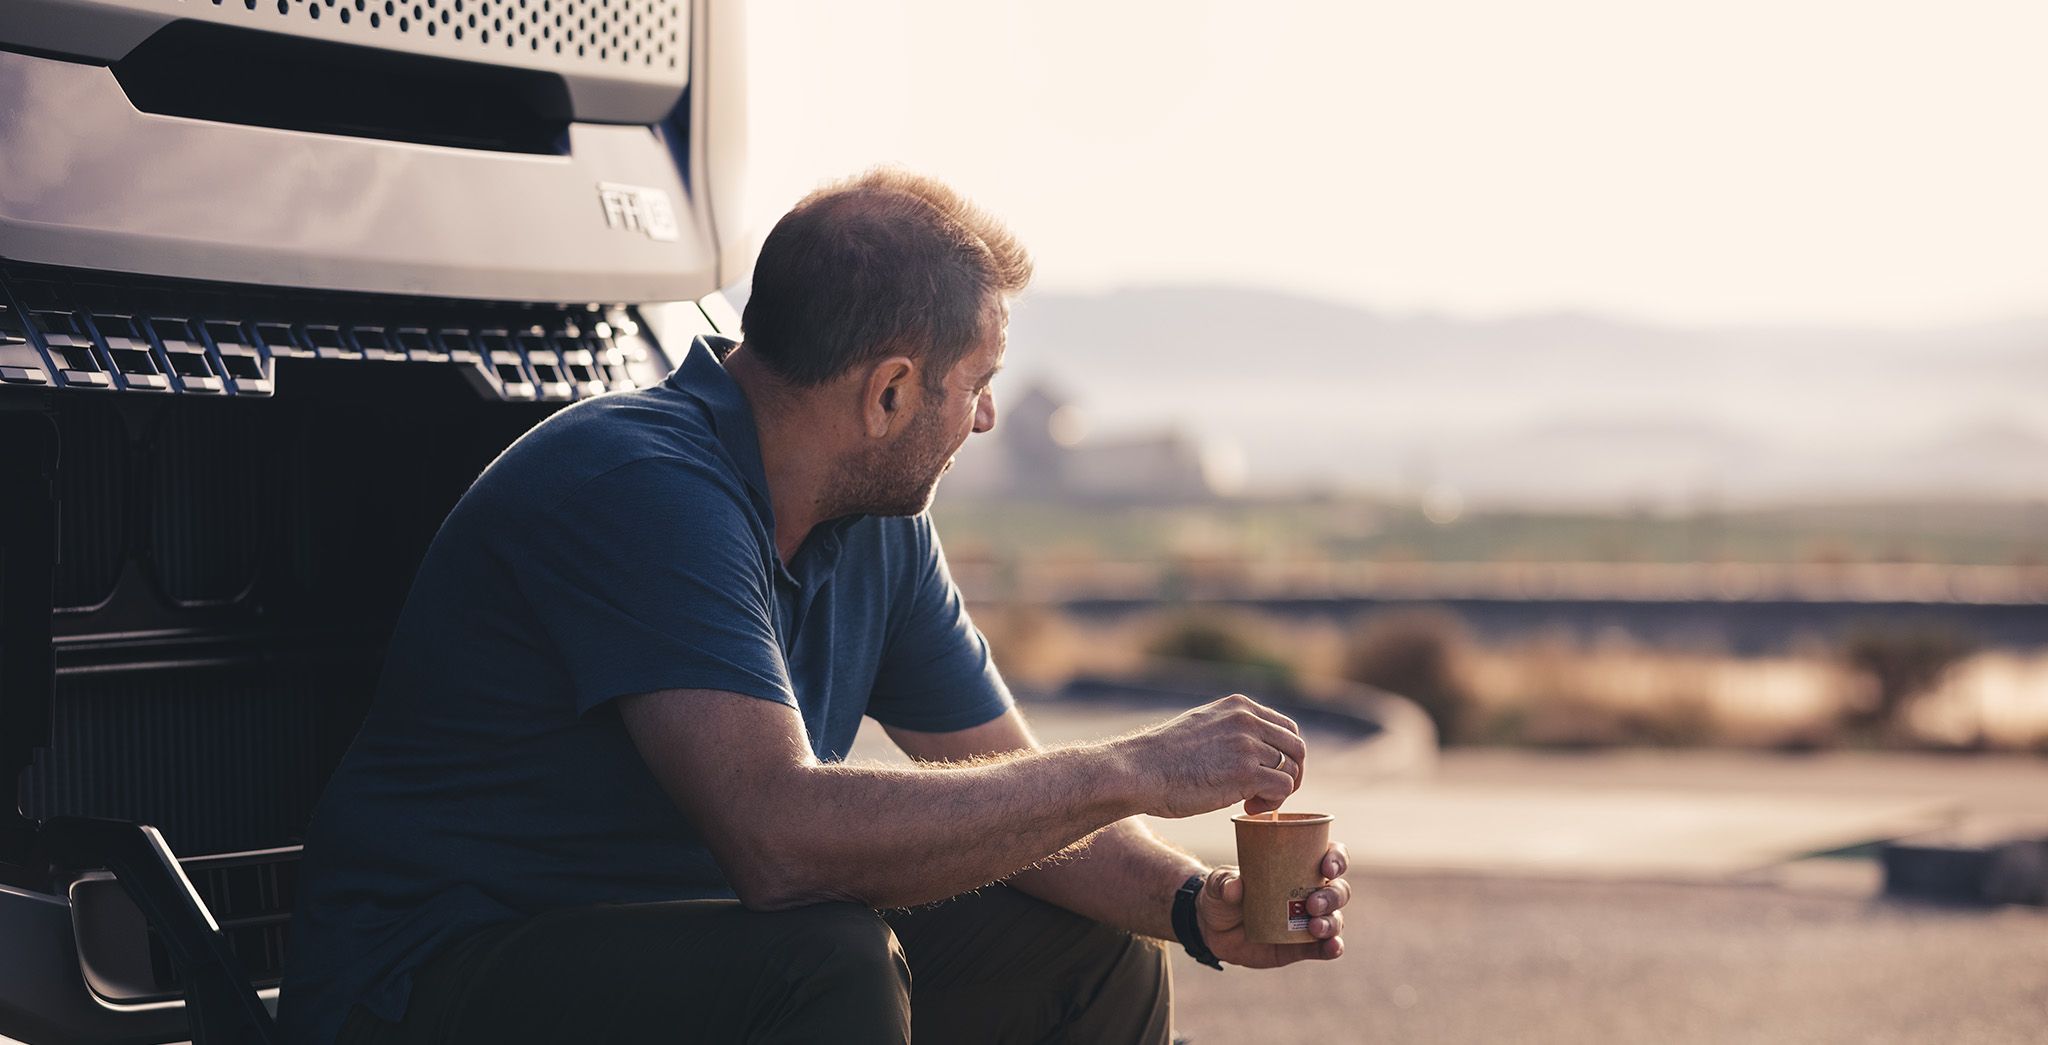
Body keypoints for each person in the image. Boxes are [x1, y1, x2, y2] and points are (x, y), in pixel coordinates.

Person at [277, 169, 1352, 1045]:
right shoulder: (640, 487)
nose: (985, 418)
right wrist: (1131, 769)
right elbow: (778, 842)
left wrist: (1191, 903)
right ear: (887, 393)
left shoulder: (877, 528)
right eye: (975, 382)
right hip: (428, 986)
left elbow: (1026, 811)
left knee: (1087, 947)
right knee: (826, 958)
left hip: (683, 955)